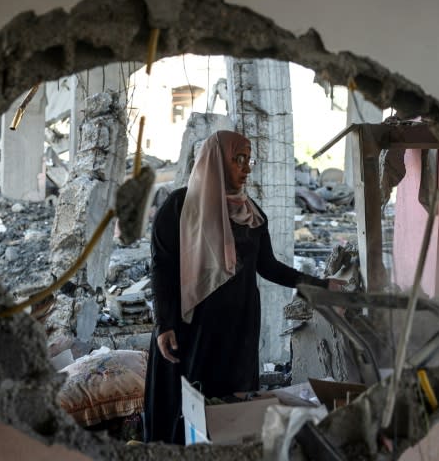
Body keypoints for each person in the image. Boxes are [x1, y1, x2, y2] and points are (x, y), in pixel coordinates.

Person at [143, 130, 342, 444]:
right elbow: (162, 267)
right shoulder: (179, 207)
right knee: (187, 404)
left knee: (230, 407)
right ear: (216, 161)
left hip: (237, 329)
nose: (247, 167)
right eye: (238, 159)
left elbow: (269, 266)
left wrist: (321, 285)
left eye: (248, 159)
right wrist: (164, 324)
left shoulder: (252, 214)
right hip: (190, 328)